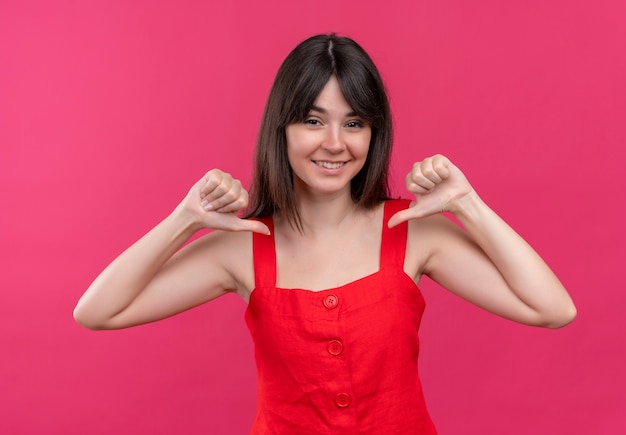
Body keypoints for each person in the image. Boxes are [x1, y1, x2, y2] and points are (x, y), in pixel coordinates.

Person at [74, 34, 576, 434]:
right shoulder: (243, 244)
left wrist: (468, 205)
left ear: (373, 134)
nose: (334, 144)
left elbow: (553, 309)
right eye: (313, 120)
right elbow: (97, 311)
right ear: (283, 129)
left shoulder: (413, 232)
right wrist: (183, 220)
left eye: (354, 123)